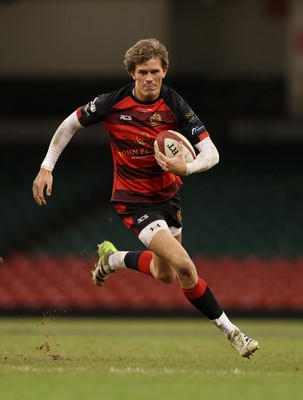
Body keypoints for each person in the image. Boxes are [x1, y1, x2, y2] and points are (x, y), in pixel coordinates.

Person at [33, 38, 259, 358]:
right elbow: (69, 124)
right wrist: (46, 167)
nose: (149, 77)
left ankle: (111, 259)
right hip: (133, 200)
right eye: (142, 72)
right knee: (184, 266)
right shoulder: (112, 103)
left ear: (165, 71)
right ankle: (233, 333)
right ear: (132, 74)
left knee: (164, 273)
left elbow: (212, 153)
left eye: (155, 71)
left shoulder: (175, 104)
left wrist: (188, 166)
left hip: (168, 197)